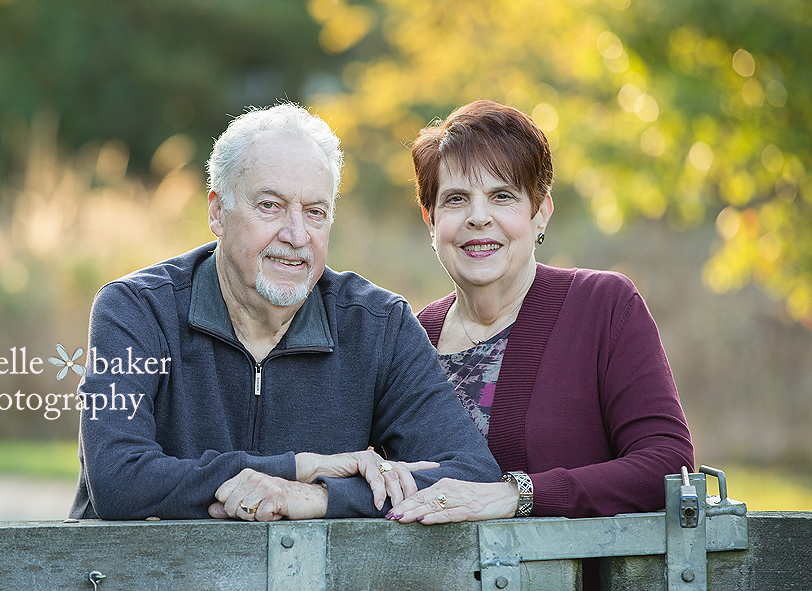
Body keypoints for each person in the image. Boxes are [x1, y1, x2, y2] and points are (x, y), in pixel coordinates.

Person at [69, 102, 501, 522]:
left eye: (315, 213)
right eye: (270, 206)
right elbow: (117, 479)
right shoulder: (135, 310)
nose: (296, 235)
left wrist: (316, 496)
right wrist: (300, 466)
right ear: (217, 212)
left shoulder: (378, 325)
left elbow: (471, 474)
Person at [388, 99, 694, 526]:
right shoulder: (409, 337)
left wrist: (517, 495)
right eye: (456, 199)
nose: (478, 218)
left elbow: (668, 464)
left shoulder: (603, 306)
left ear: (540, 214)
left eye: (502, 196)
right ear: (430, 220)